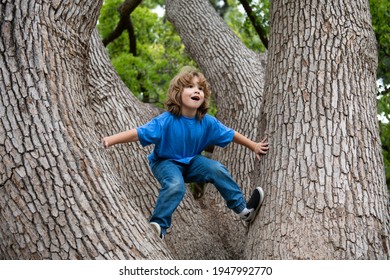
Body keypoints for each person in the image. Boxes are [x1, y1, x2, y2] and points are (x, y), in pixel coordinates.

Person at [102, 67, 269, 239]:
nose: (196, 90)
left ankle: (243, 210)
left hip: (191, 163)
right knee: (176, 186)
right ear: (178, 93)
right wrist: (110, 140)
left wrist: (253, 146)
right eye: (190, 86)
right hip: (165, 163)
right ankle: (158, 225)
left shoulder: (207, 122)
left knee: (216, 168)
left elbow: (231, 134)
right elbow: (138, 133)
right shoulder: (165, 121)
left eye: (200, 88)